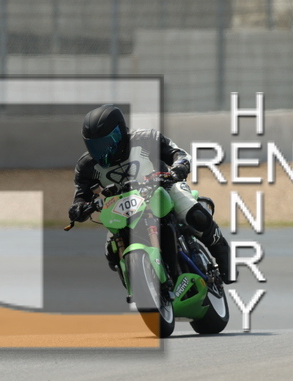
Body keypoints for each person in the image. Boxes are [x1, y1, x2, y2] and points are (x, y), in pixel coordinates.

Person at [68, 104, 233, 284]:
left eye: (107, 143)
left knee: (196, 216)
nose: (103, 151)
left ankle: (224, 258)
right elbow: (81, 195)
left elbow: (179, 154)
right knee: (111, 252)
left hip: (162, 188)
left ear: (120, 132)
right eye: (95, 146)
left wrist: (179, 167)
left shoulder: (146, 139)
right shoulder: (86, 166)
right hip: (122, 207)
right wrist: (78, 208)